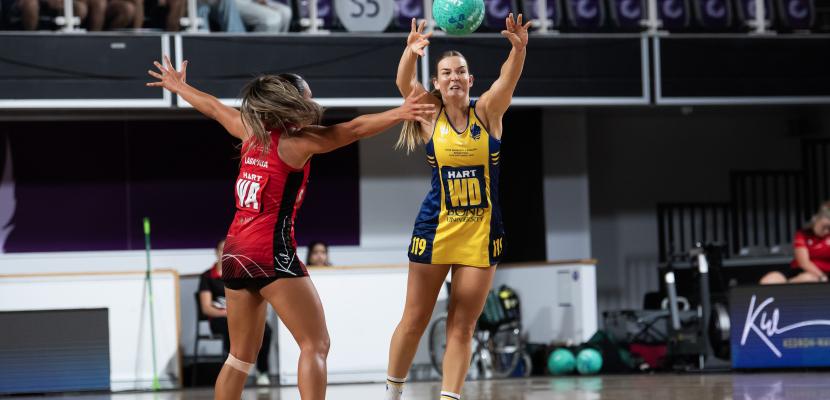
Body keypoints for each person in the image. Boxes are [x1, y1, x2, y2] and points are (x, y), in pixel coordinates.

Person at [147, 56, 433, 400]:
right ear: (292, 103)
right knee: (316, 343)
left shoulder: (250, 131)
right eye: (308, 96)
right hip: (269, 252)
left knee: (239, 357)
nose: (313, 102)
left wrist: (179, 87)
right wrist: (401, 112)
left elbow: (213, 108)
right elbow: (354, 129)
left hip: (234, 252)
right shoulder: (297, 143)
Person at [383, 14, 531, 400]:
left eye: (461, 71)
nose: (454, 77)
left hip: (481, 233)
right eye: (446, 72)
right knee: (414, 320)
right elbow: (403, 83)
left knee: (462, 327)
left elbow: (508, 80)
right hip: (435, 229)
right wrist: (410, 52)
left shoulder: (488, 113)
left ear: (470, 80)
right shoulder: (429, 116)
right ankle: (392, 394)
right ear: (436, 82)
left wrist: (518, 50)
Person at [199, 240, 272, 385]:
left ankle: (262, 371)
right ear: (216, 252)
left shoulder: (243, 274)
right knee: (231, 330)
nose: (226, 253)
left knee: (266, 330)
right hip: (220, 318)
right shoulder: (207, 276)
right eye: (222, 249)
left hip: (242, 317)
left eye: (230, 250)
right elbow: (206, 308)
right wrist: (228, 314)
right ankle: (234, 373)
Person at [761, 201, 830, 284]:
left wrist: (823, 277)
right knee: (769, 280)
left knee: (808, 279)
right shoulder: (802, 234)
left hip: (821, 275)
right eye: (824, 227)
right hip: (800, 271)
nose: (826, 231)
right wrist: (822, 276)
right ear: (817, 219)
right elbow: (803, 262)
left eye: (829, 228)